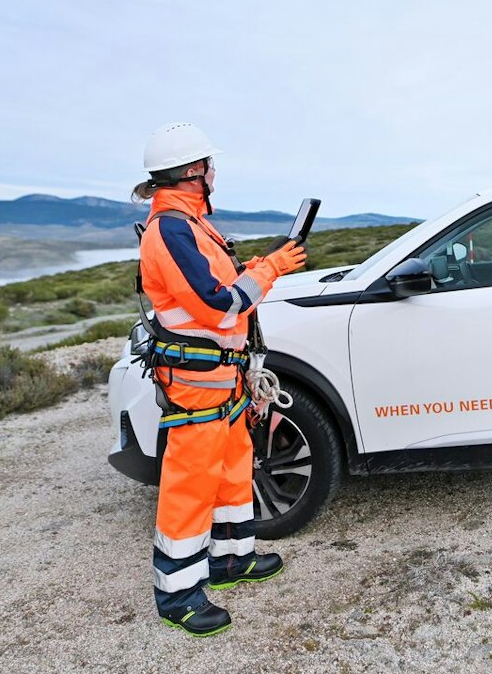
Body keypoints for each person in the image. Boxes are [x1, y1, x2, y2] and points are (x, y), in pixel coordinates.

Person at [132, 121, 307, 637]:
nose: (214, 171)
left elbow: (219, 284)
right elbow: (218, 304)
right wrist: (271, 268)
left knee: (233, 469)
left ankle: (231, 560)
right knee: (190, 484)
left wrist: (251, 268)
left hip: (221, 377)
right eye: (209, 164)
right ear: (193, 172)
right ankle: (178, 595)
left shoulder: (191, 223)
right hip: (196, 378)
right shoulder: (172, 229)